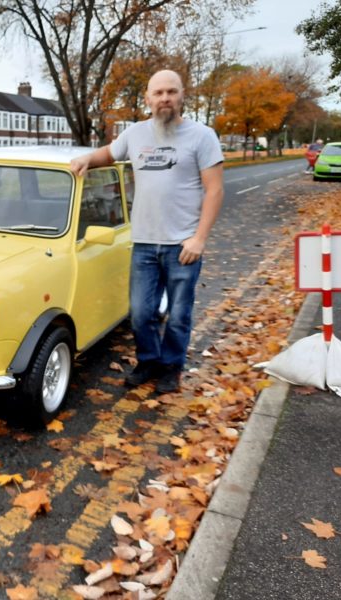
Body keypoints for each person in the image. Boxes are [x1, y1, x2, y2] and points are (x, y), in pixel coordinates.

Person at [70, 69, 224, 393]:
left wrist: (199, 239)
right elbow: (108, 154)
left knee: (179, 314)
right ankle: (149, 361)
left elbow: (214, 190)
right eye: (158, 93)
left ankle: (171, 367)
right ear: (148, 100)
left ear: (182, 95)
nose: (165, 98)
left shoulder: (202, 136)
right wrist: (86, 158)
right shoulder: (135, 134)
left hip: (182, 245)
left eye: (171, 91)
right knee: (141, 313)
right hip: (143, 244)